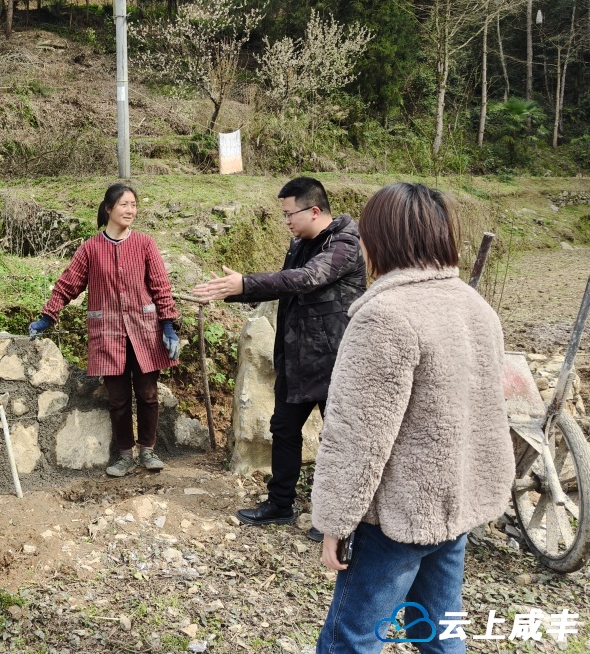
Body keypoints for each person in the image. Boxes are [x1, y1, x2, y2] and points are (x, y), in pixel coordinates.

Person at [311, 183, 513, 654]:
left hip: (398, 515)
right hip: (454, 504)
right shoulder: (474, 306)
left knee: (351, 639)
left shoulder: (385, 316)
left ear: (380, 240)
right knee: (440, 631)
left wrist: (335, 522)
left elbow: (357, 436)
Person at [192, 177, 366, 539]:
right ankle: (280, 504)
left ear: (314, 210)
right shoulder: (300, 243)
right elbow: (286, 284)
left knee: (340, 441)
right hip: (298, 358)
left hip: (336, 362)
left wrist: (246, 283)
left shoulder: (345, 244)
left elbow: (304, 279)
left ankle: (341, 521)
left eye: (290, 214)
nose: (286, 220)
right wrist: (233, 290)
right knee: (284, 430)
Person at [29, 183, 180, 477]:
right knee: (118, 399)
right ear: (109, 209)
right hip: (107, 334)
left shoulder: (145, 244)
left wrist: (167, 325)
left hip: (145, 332)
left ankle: (147, 451)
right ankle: (124, 455)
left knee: (148, 394)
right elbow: (67, 284)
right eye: (124, 204)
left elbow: (161, 287)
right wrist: (47, 316)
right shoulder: (91, 249)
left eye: (134, 205)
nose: (130, 210)